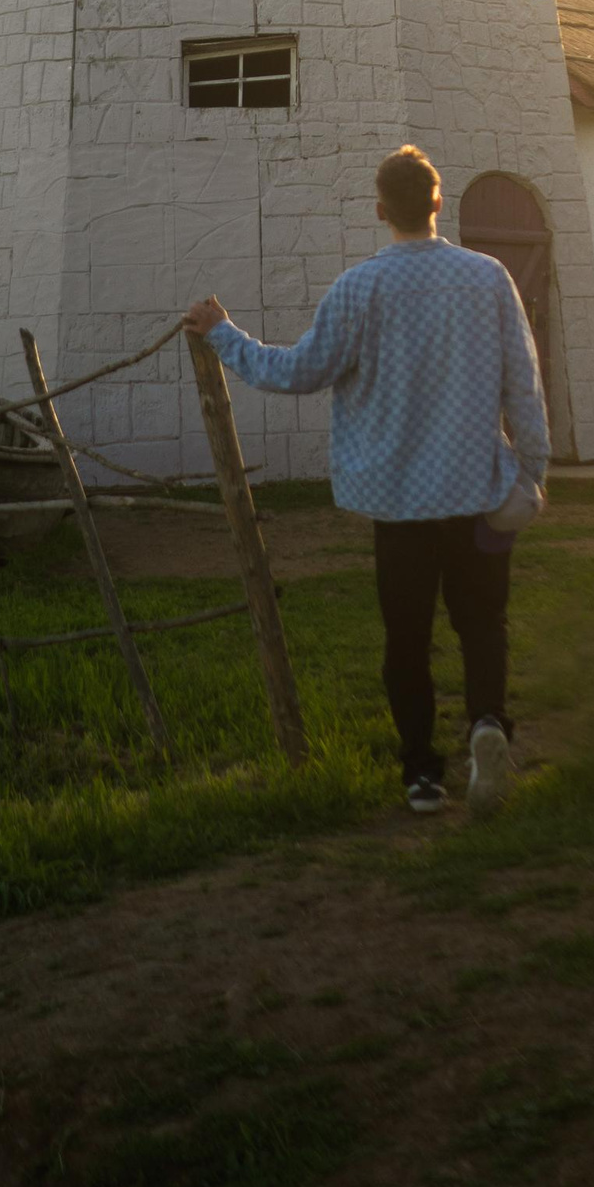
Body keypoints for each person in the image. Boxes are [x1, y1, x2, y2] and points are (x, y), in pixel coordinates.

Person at [183, 143, 550, 817]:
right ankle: (488, 726)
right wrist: (532, 468)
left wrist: (223, 334)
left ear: (382, 209)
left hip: (399, 501)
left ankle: (421, 777)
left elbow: (295, 372)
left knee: (406, 639)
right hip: (483, 494)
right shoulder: (489, 277)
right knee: (483, 625)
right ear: (439, 203)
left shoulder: (358, 289)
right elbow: (523, 384)